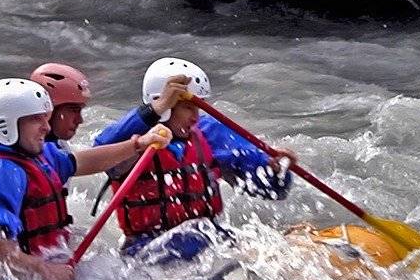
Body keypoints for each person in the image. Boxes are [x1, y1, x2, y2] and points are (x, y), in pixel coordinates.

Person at [0, 78, 170, 280]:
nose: (46, 128)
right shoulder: (0, 172)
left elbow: (83, 161)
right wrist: (45, 270)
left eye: (46, 118)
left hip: (45, 274)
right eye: (36, 119)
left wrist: (137, 144)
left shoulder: (37, 154)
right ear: (7, 123)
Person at [91, 57, 298, 257]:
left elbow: (273, 191)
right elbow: (99, 152)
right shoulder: (133, 141)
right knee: (196, 239)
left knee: (281, 247)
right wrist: (155, 110)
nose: (195, 117)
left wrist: (276, 171)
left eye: (199, 107)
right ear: (162, 104)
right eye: (188, 107)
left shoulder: (209, 132)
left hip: (210, 242)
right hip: (149, 253)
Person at [30, 63, 91, 146]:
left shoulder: (55, 146)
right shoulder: (34, 152)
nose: (80, 120)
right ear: (48, 111)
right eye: (74, 110)